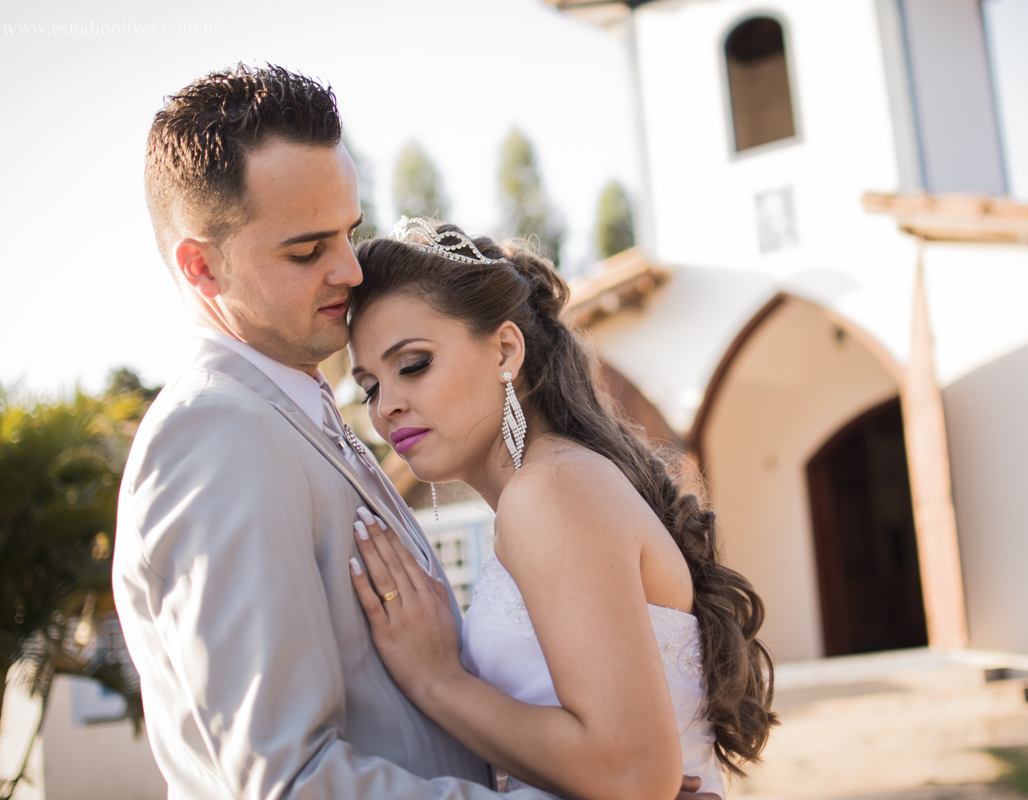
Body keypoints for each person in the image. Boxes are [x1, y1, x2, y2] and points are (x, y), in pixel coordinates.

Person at [114, 64, 559, 799]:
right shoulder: (213, 436)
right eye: (305, 250)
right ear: (200, 267)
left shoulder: (293, 410)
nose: (351, 270)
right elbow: (290, 780)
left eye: (349, 233)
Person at [344, 219, 778, 800]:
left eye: (414, 364)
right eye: (369, 386)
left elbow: (631, 774)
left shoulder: (549, 491)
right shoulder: (555, 486)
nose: (388, 406)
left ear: (504, 349)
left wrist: (438, 680)